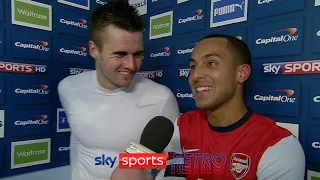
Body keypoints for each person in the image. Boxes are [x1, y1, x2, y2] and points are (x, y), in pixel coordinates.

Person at [152, 34, 306, 179]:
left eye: (211, 64)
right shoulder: (182, 126)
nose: (196, 75)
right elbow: (173, 175)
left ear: (241, 74)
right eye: (193, 66)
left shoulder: (278, 146)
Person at [57, 1, 180, 180]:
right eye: (120, 54)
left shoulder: (161, 98)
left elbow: (173, 161)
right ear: (94, 50)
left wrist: (144, 172)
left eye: (137, 54)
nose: (131, 65)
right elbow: (78, 141)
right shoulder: (68, 88)